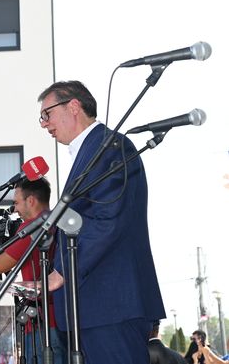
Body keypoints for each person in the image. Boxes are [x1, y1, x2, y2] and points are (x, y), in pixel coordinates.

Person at [37, 80, 165, 363]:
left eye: (47, 114)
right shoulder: (91, 150)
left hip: (111, 303)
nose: (44, 124)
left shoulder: (110, 147)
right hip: (96, 306)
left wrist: (62, 271)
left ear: (73, 106)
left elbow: (108, 219)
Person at [0, 177, 66, 364]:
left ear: (31, 200)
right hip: (59, 317)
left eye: (16, 203)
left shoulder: (32, 227)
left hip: (41, 323)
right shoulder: (57, 221)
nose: (15, 209)